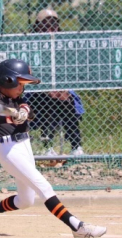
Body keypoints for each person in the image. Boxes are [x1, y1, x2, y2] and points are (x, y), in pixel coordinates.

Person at [0, 59, 107, 238]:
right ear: (7, 80)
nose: (22, 88)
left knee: (25, 200)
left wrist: (25, 110)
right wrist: (13, 115)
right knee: (43, 186)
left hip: (24, 146)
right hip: (8, 149)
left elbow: (31, 113)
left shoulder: (17, 100)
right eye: (19, 83)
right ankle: (78, 227)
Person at [25, 9, 85, 156]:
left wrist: (62, 89)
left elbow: (71, 74)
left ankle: (76, 146)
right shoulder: (28, 45)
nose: (50, 28)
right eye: (45, 24)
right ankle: (48, 147)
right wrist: (46, 88)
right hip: (34, 94)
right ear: (37, 27)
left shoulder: (64, 46)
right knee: (48, 98)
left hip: (60, 93)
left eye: (53, 24)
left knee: (66, 99)